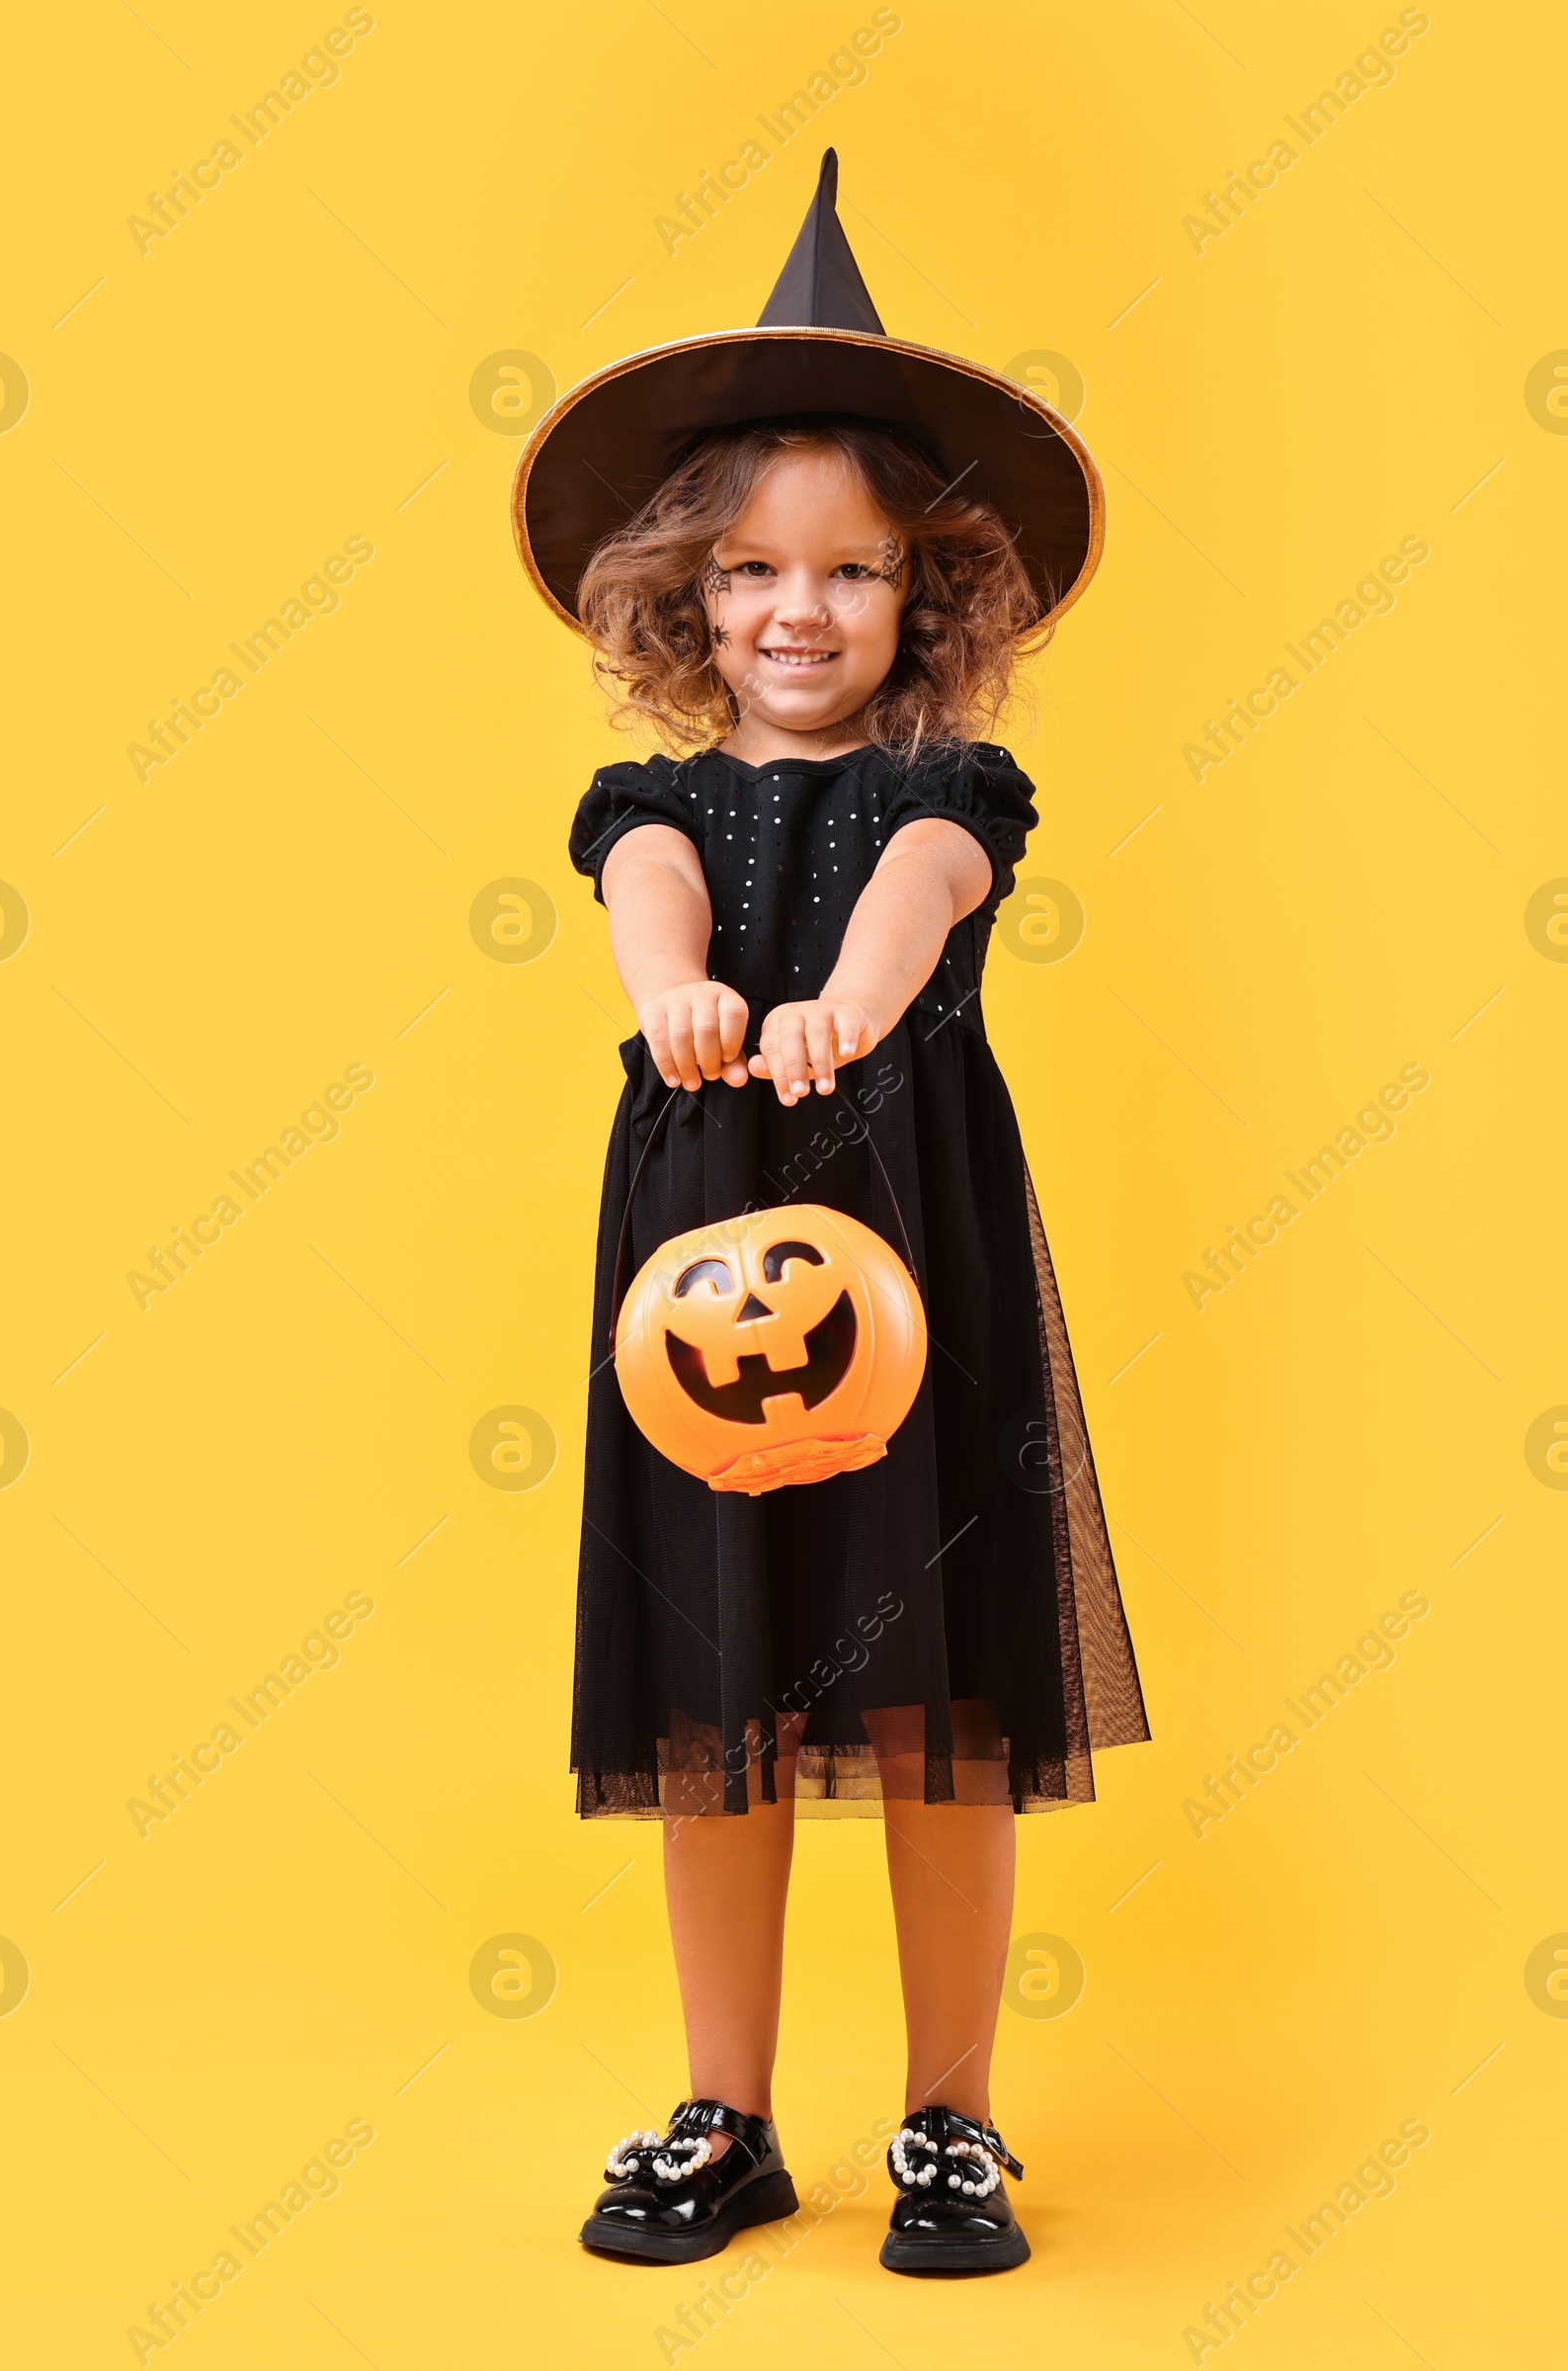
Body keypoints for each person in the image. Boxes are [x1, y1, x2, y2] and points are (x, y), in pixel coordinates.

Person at [512, 152, 1150, 2277]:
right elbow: (647, 894)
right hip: (701, 1219)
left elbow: (914, 902)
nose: (800, 609)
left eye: (853, 573)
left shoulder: (949, 786)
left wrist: (844, 1015)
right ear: (685, 598)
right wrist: (683, 1000)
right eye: (756, 572)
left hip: (906, 1221)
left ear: (922, 599)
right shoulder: (654, 802)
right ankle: (723, 2106)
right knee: (718, 1700)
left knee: (932, 1691)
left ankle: (949, 2116)